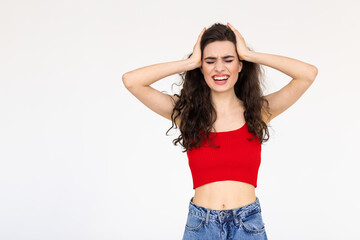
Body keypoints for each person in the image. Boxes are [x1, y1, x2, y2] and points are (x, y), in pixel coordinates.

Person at [122, 22, 318, 240]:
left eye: (228, 59)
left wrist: (248, 54)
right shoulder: (187, 114)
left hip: (247, 225)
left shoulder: (258, 111)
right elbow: (131, 81)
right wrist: (189, 62)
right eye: (210, 61)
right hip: (201, 226)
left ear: (240, 65)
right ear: (201, 67)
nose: (219, 68)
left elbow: (307, 74)